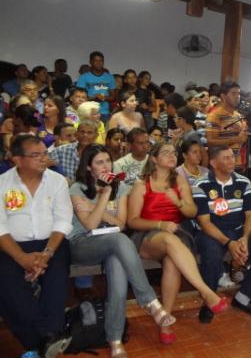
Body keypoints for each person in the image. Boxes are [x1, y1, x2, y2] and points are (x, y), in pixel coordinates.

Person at [69, 144, 176, 357]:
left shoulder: (121, 189)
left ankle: (115, 339)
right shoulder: (77, 189)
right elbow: (89, 225)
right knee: (118, 240)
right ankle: (150, 302)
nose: (105, 166)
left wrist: (97, 207)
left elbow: (121, 223)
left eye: (107, 161)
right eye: (99, 162)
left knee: (118, 269)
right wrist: (102, 197)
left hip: (112, 243)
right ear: (89, 167)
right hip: (82, 244)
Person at [127, 142, 228, 344]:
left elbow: (191, 212)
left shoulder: (180, 181)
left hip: (177, 234)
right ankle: (207, 292)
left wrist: (178, 202)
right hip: (147, 234)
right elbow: (132, 220)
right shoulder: (141, 184)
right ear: (154, 159)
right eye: (166, 153)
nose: (172, 156)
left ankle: (165, 324)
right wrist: (160, 224)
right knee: (168, 238)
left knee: (173, 262)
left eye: (174, 152)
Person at [0, 135, 73, 357]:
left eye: (45, 154)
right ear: (17, 159)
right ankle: (46, 337)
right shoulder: (2, 183)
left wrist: (46, 255)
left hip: (51, 242)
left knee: (56, 276)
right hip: (12, 245)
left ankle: (39, 344)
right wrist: (22, 258)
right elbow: (0, 227)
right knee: (6, 285)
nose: (44, 159)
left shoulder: (57, 181)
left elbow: (62, 220)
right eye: (36, 155)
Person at [192, 146, 251, 323]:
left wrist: (244, 238)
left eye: (233, 157)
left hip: (238, 230)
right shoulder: (201, 184)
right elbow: (205, 222)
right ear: (214, 163)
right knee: (211, 256)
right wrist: (229, 242)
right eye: (226, 158)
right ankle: (209, 301)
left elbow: (250, 215)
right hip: (211, 232)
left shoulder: (243, 181)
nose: (233, 161)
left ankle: (244, 297)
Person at [206, 81, 247, 172]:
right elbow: (210, 142)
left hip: (237, 165)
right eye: (233, 93)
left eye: (238, 93)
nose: (237, 96)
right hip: (221, 166)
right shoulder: (215, 115)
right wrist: (233, 140)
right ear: (223, 96)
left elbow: (244, 141)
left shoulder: (239, 116)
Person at [76, 51, 116, 123]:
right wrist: (94, 97)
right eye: (96, 61)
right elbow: (79, 98)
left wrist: (104, 97)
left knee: (103, 133)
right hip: (88, 112)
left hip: (104, 113)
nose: (99, 63)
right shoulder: (84, 77)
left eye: (101, 61)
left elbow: (113, 96)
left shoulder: (109, 77)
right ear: (90, 62)